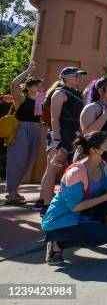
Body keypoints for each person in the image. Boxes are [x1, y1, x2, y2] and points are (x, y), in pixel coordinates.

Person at [42, 132, 107, 266]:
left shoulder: (102, 165)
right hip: (62, 219)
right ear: (93, 149)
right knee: (104, 235)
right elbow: (75, 207)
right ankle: (56, 244)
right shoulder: (76, 172)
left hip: (85, 212)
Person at [37, 67, 86, 216]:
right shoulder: (59, 93)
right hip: (61, 134)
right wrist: (57, 139)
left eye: (79, 75)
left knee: (72, 171)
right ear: (65, 77)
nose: (78, 77)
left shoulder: (78, 94)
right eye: (75, 75)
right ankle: (45, 204)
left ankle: (66, 203)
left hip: (74, 135)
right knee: (52, 169)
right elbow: (54, 119)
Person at [5, 61, 44, 205]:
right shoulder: (21, 99)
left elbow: (39, 116)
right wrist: (28, 71)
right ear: (28, 88)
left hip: (35, 130)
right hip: (21, 129)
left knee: (28, 161)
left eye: (41, 85)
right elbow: (14, 84)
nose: (40, 87)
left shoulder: (40, 99)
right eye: (37, 85)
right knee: (17, 160)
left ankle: (15, 190)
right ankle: (11, 194)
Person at [79, 77, 107, 176]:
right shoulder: (91, 108)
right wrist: (105, 115)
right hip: (92, 153)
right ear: (101, 90)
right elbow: (87, 133)